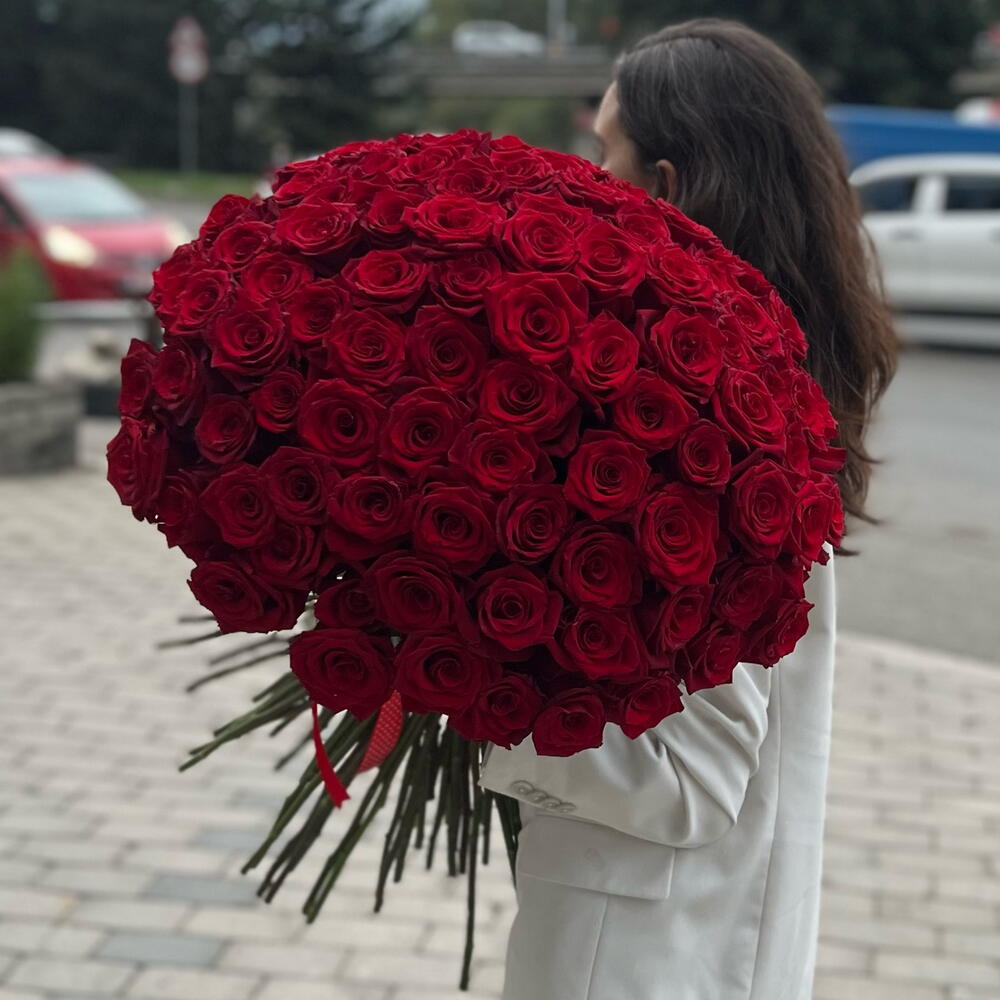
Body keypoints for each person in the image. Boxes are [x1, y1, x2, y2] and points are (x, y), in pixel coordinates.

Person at [478, 18, 898, 1000]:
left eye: (603, 153)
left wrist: (452, 682)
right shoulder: (755, 389)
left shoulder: (704, 434)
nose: (586, 180)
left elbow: (691, 783)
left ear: (665, 187)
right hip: (675, 937)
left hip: (641, 958)